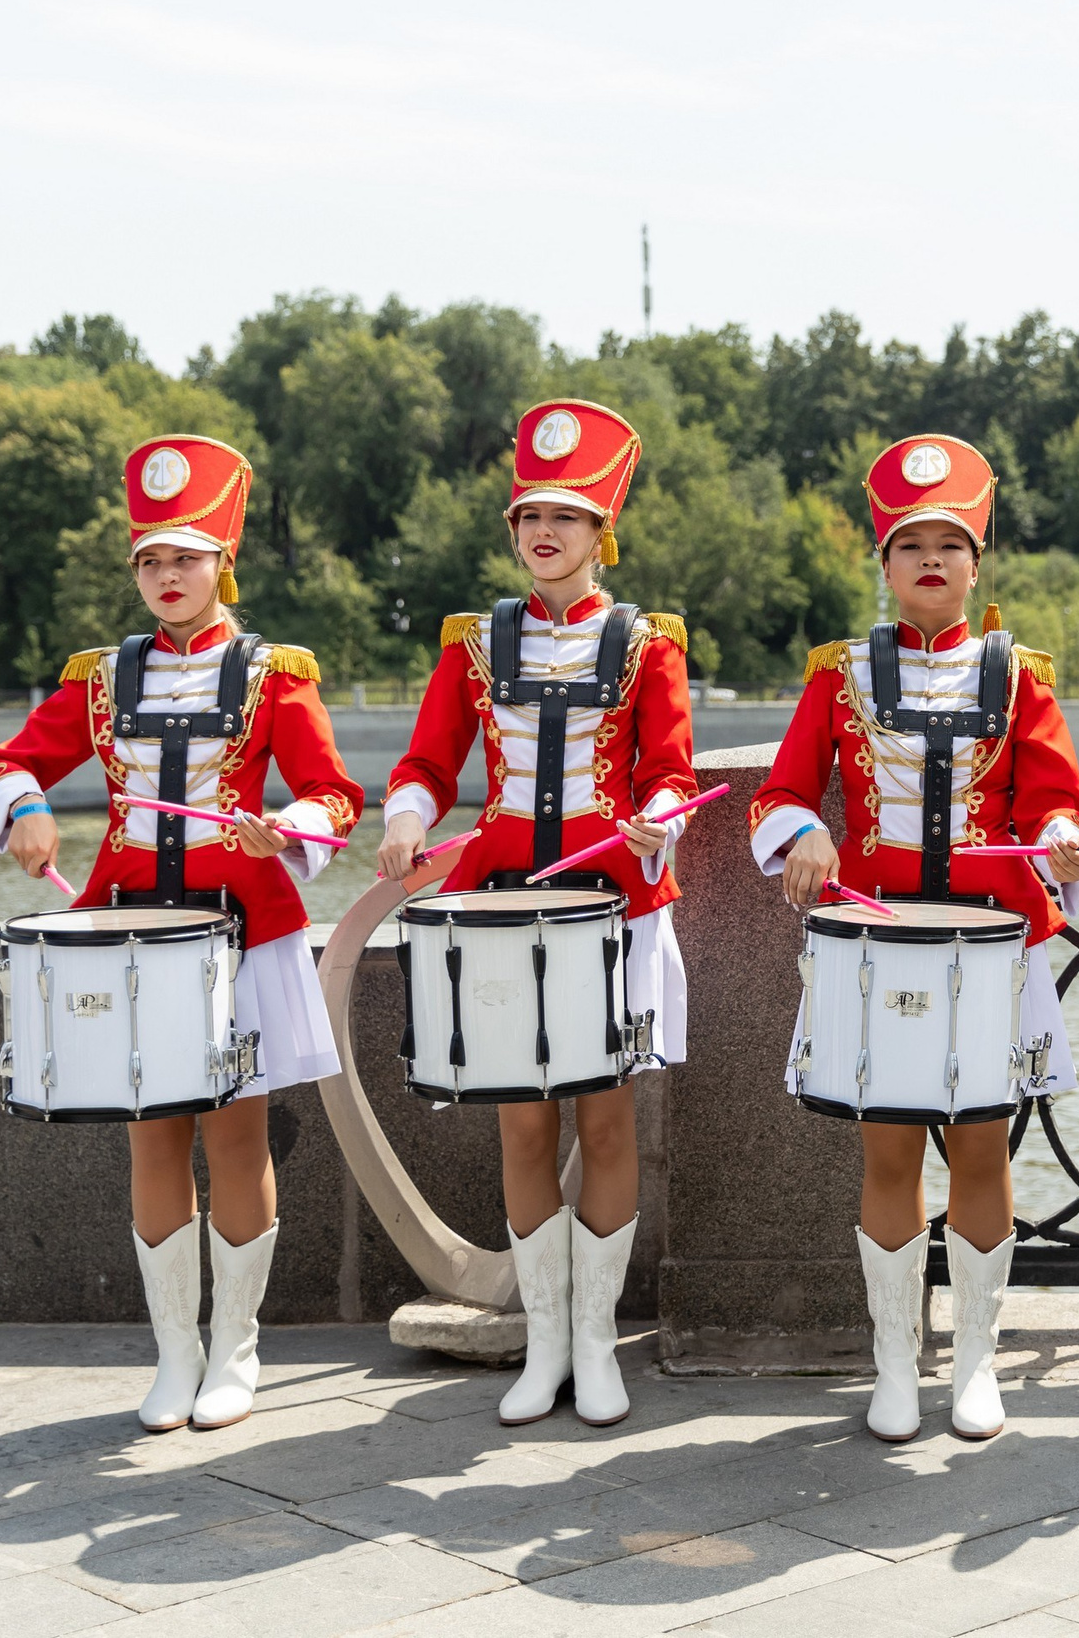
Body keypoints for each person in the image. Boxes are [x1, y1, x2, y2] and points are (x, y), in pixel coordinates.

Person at [0, 434, 362, 1432]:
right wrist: (23, 810)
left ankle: (236, 1352)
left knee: (236, 1140)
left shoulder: (275, 672)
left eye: (183, 558)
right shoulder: (101, 679)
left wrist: (282, 830)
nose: (165, 577)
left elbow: (333, 794)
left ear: (220, 563)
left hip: (242, 934)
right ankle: (172, 1356)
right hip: (129, 936)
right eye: (149, 560)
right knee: (152, 1137)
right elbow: (10, 761)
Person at [748, 434, 1079, 1443]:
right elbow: (778, 791)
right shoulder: (839, 673)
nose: (931, 559)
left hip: (992, 945)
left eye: (950, 542)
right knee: (889, 1154)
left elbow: (1055, 797)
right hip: (876, 945)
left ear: (977, 564)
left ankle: (976, 1367)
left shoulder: (1019, 676)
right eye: (911, 545)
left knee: (981, 1151)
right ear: (885, 566)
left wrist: (1064, 839)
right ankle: (894, 1364)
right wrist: (804, 829)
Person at [375, 399, 695, 1429]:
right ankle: (544, 1346)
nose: (544, 533)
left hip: (611, 907)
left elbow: (669, 771)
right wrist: (405, 814)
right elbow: (430, 761)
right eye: (528, 518)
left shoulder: (648, 644)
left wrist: (654, 820)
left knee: (605, 1124)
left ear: (603, 534)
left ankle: (594, 1346)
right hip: (505, 910)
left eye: (566, 516)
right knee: (522, 1128)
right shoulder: (474, 643)